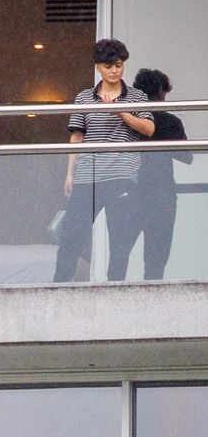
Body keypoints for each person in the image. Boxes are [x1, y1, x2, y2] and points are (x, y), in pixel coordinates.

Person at [53, 39, 154, 282]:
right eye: (108, 66)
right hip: (88, 175)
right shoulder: (85, 98)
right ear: (98, 66)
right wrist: (70, 173)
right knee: (71, 236)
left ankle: (114, 291)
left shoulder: (136, 96)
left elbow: (149, 128)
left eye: (119, 65)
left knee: (120, 240)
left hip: (122, 175)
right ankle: (57, 288)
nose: (114, 70)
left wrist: (121, 111)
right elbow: (77, 136)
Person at [120, 69, 191, 280]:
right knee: (156, 260)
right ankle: (152, 303)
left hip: (131, 193)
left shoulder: (129, 120)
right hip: (161, 196)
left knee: (119, 252)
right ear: (160, 92)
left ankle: (112, 299)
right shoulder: (169, 121)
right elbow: (187, 157)